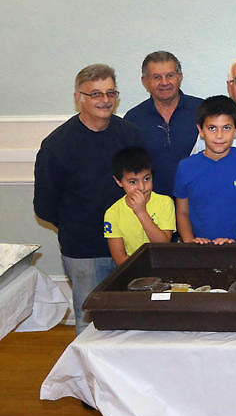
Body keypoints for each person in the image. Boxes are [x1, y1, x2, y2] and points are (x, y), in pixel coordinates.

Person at [34, 64, 142, 335]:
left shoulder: (130, 134)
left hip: (131, 246)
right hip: (84, 250)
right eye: (95, 94)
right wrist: (74, 226)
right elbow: (45, 205)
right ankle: (88, 377)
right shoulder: (57, 145)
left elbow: (144, 183)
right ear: (78, 97)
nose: (104, 100)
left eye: (110, 92)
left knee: (131, 318)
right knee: (90, 321)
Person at [175, 96, 236, 244]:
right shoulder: (186, 167)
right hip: (202, 252)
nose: (219, 135)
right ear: (200, 130)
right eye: (212, 128)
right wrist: (190, 243)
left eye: (226, 128)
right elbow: (182, 213)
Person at [123, 51, 202, 196]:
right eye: (157, 77)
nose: (164, 82)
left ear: (180, 77)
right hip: (152, 207)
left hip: (197, 202)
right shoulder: (133, 119)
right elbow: (128, 169)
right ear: (145, 81)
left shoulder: (202, 111)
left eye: (170, 75)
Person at [104, 146, 175, 265]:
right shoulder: (113, 213)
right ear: (119, 182)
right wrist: (148, 265)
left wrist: (141, 212)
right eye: (132, 182)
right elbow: (119, 259)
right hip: (132, 272)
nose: (142, 187)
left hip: (162, 268)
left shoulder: (165, 203)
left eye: (147, 179)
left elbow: (162, 245)